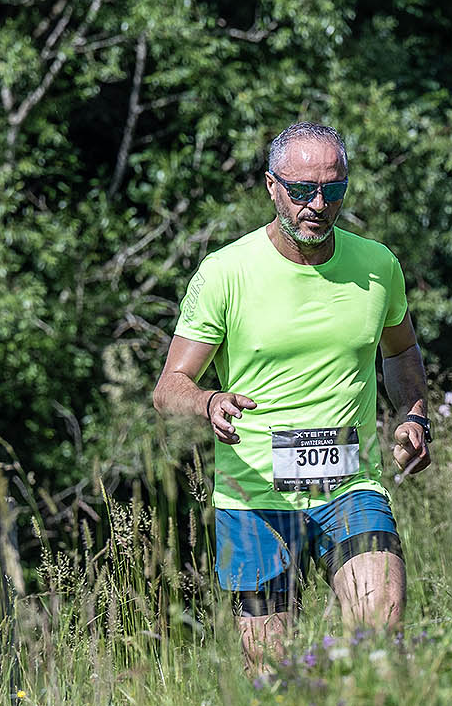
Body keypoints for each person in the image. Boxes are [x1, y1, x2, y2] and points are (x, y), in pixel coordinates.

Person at [151, 121, 433, 671]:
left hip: (349, 484)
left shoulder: (378, 267)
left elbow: (401, 350)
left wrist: (413, 415)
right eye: (303, 190)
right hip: (253, 495)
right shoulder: (226, 272)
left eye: (333, 189)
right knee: (271, 669)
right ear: (272, 186)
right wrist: (208, 403)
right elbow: (168, 388)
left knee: (381, 629)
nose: (318, 205)